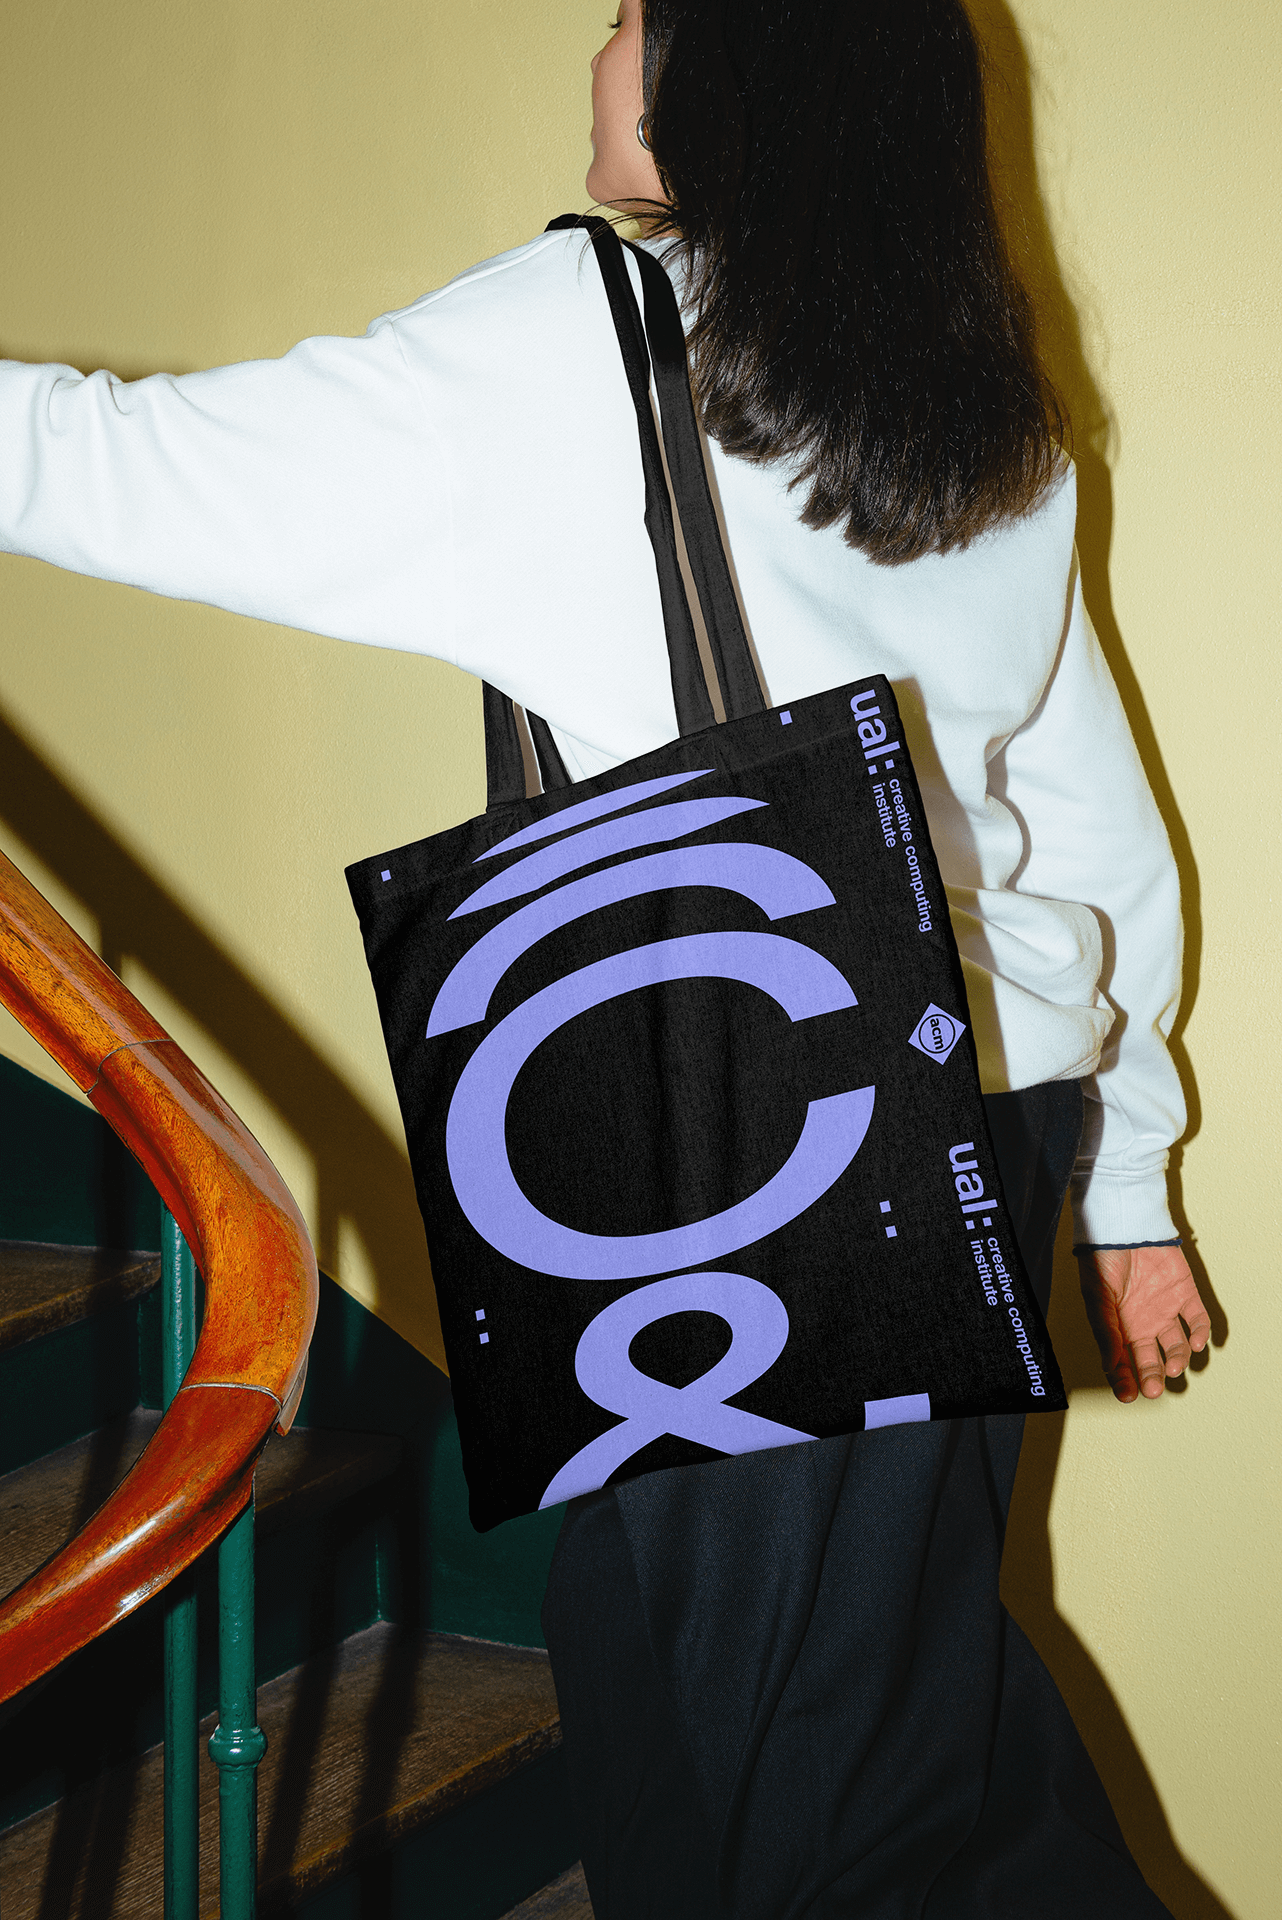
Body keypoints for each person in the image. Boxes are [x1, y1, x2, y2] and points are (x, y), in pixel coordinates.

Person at [0, 0, 1210, 1911]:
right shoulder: (979, 399)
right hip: (986, 1124)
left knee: (821, 1815)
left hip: (745, 1152)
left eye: (634, 14)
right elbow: (1079, 815)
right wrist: (1123, 1179)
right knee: (802, 1724)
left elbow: (107, 468)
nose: (597, 48)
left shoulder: (588, 340)